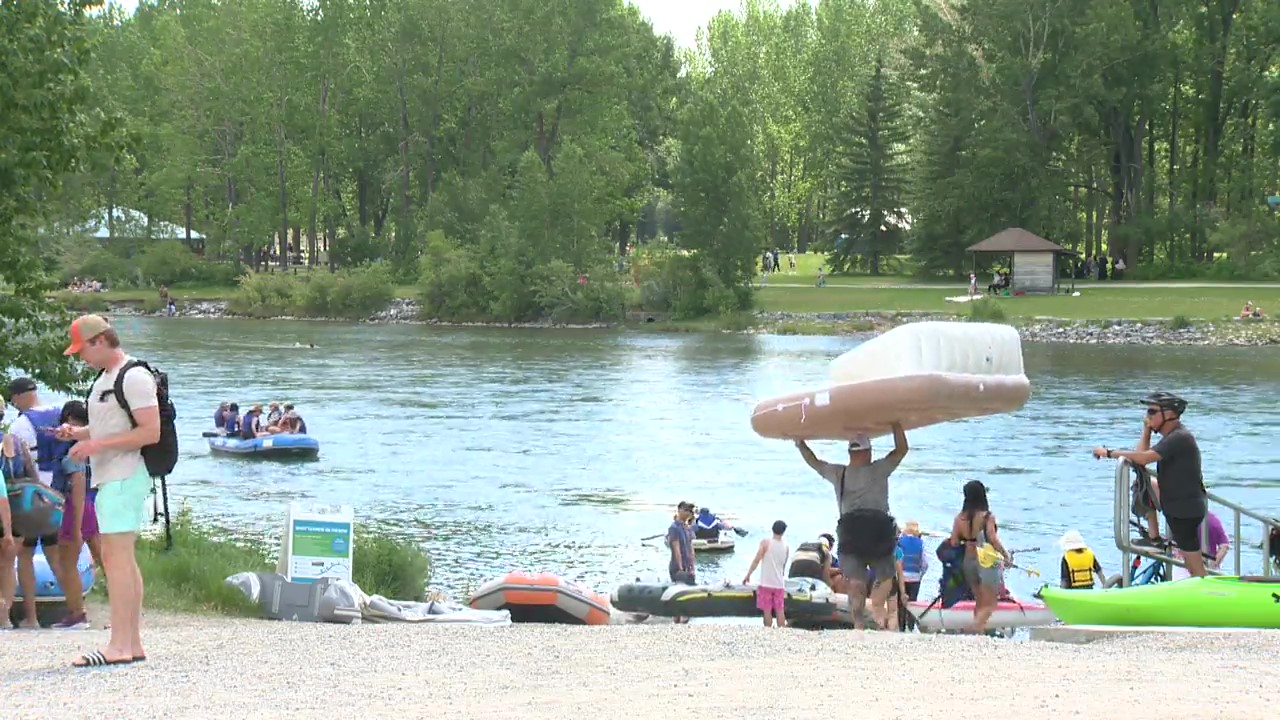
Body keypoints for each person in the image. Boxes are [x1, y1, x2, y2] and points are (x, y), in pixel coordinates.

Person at [59, 314, 158, 667]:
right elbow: (112, 425)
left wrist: (94, 447)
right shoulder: (107, 378)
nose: (81, 357)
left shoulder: (133, 376)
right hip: (113, 474)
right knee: (122, 560)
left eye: (82, 350)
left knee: (116, 560)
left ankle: (118, 644)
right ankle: (130, 643)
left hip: (124, 474)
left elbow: (150, 432)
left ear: (100, 341)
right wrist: (80, 434)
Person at [796, 423, 908, 630]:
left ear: (850, 452)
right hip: (879, 531)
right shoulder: (880, 468)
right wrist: (896, 424)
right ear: (868, 451)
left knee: (855, 582)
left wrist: (800, 443)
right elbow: (902, 449)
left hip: (851, 531)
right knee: (885, 576)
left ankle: (858, 625)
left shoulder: (839, 473)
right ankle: (880, 612)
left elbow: (814, 463)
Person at [1093, 391, 1208, 578]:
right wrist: (1146, 430)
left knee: (1194, 565)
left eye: (1152, 412)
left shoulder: (1179, 437)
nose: (1147, 416)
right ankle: (1154, 538)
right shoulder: (1172, 437)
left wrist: (1109, 453)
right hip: (1176, 503)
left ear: (1169, 414)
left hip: (1185, 508)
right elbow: (1141, 458)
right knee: (1143, 482)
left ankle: (1208, 595)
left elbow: (1144, 458)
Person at [46, 400, 98, 628]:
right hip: (91, 504)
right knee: (107, 558)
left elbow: (76, 482)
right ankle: (123, 614)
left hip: (74, 506)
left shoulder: (72, 449)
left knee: (67, 562)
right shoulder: (91, 443)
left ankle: (77, 613)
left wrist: (75, 527)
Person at [948, 480, 1010, 634]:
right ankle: (973, 627)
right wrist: (1005, 555)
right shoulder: (987, 516)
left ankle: (979, 633)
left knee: (980, 600)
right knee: (990, 604)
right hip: (986, 560)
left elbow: (954, 542)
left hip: (968, 561)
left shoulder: (959, 518)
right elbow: (992, 538)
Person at [743, 520, 790, 628]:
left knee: (767, 610)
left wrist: (748, 575)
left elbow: (756, 560)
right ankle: (782, 630)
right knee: (779, 609)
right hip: (779, 584)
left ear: (772, 529)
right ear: (783, 532)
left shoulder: (766, 543)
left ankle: (768, 630)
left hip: (766, 583)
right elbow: (783, 567)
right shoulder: (786, 547)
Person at [1171, 510, 1230, 579]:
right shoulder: (1214, 520)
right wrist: (1214, 563)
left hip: (1184, 563)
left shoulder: (1181, 518)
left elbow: (1173, 542)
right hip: (1207, 565)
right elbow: (1224, 546)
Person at [667, 501, 696, 624]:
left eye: (690, 511)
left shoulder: (686, 528)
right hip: (677, 566)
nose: (688, 513)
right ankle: (677, 620)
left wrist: (692, 566)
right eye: (686, 510)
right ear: (679, 510)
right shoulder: (674, 528)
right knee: (680, 593)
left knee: (687, 592)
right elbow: (676, 548)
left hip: (687, 566)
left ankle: (681, 620)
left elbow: (690, 548)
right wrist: (680, 567)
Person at [897, 520, 927, 630]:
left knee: (900, 603)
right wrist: (921, 574)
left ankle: (901, 627)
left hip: (902, 576)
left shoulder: (900, 541)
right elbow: (925, 563)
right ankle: (910, 627)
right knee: (912, 603)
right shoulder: (920, 543)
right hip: (915, 577)